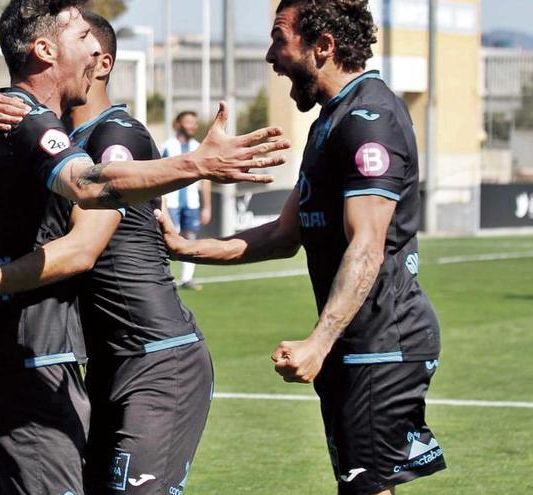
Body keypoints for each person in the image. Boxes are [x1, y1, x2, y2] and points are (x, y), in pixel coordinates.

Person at [0, 0, 287, 491]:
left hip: (147, 356)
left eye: (96, 46)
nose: (94, 52)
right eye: (82, 41)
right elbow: (84, 192)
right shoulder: (23, 122)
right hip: (54, 358)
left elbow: (83, 242)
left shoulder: (107, 134)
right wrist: (195, 165)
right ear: (46, 50)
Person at [155, 1, 445, 494]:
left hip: (380, 341)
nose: (271, 56)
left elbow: (368, 246)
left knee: (366, 489)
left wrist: (320, 341)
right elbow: (284, 235)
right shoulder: (330, 123)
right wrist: (186, 248)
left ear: (323, 46)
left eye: (279, 39)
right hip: (359, 344)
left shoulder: (367, 119)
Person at [161, 111, 212, 290]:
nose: (192, 126)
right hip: (171, 202)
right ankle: (164, 276)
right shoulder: (167, 146)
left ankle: (187, 278)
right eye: (188, 122)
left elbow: (205, 179)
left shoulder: (198, 147)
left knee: (190, 238)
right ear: (178, 124)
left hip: (191, 203)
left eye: (194, 123)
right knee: (170, 236)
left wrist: (207, 207)